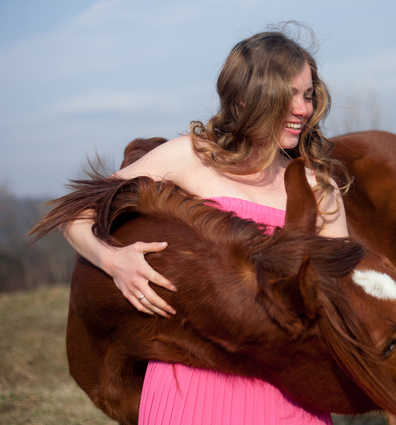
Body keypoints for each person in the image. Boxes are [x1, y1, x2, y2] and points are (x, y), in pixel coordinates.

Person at [60, 27, 350, 425]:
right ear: (246, 97)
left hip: (289, 392)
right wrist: (114, 261)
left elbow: (347, 294)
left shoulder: (318, 187)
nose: (303, 108)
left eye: (308, 94)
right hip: (188, 387)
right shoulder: (189, 158)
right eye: (288, 95)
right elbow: (76, 214)